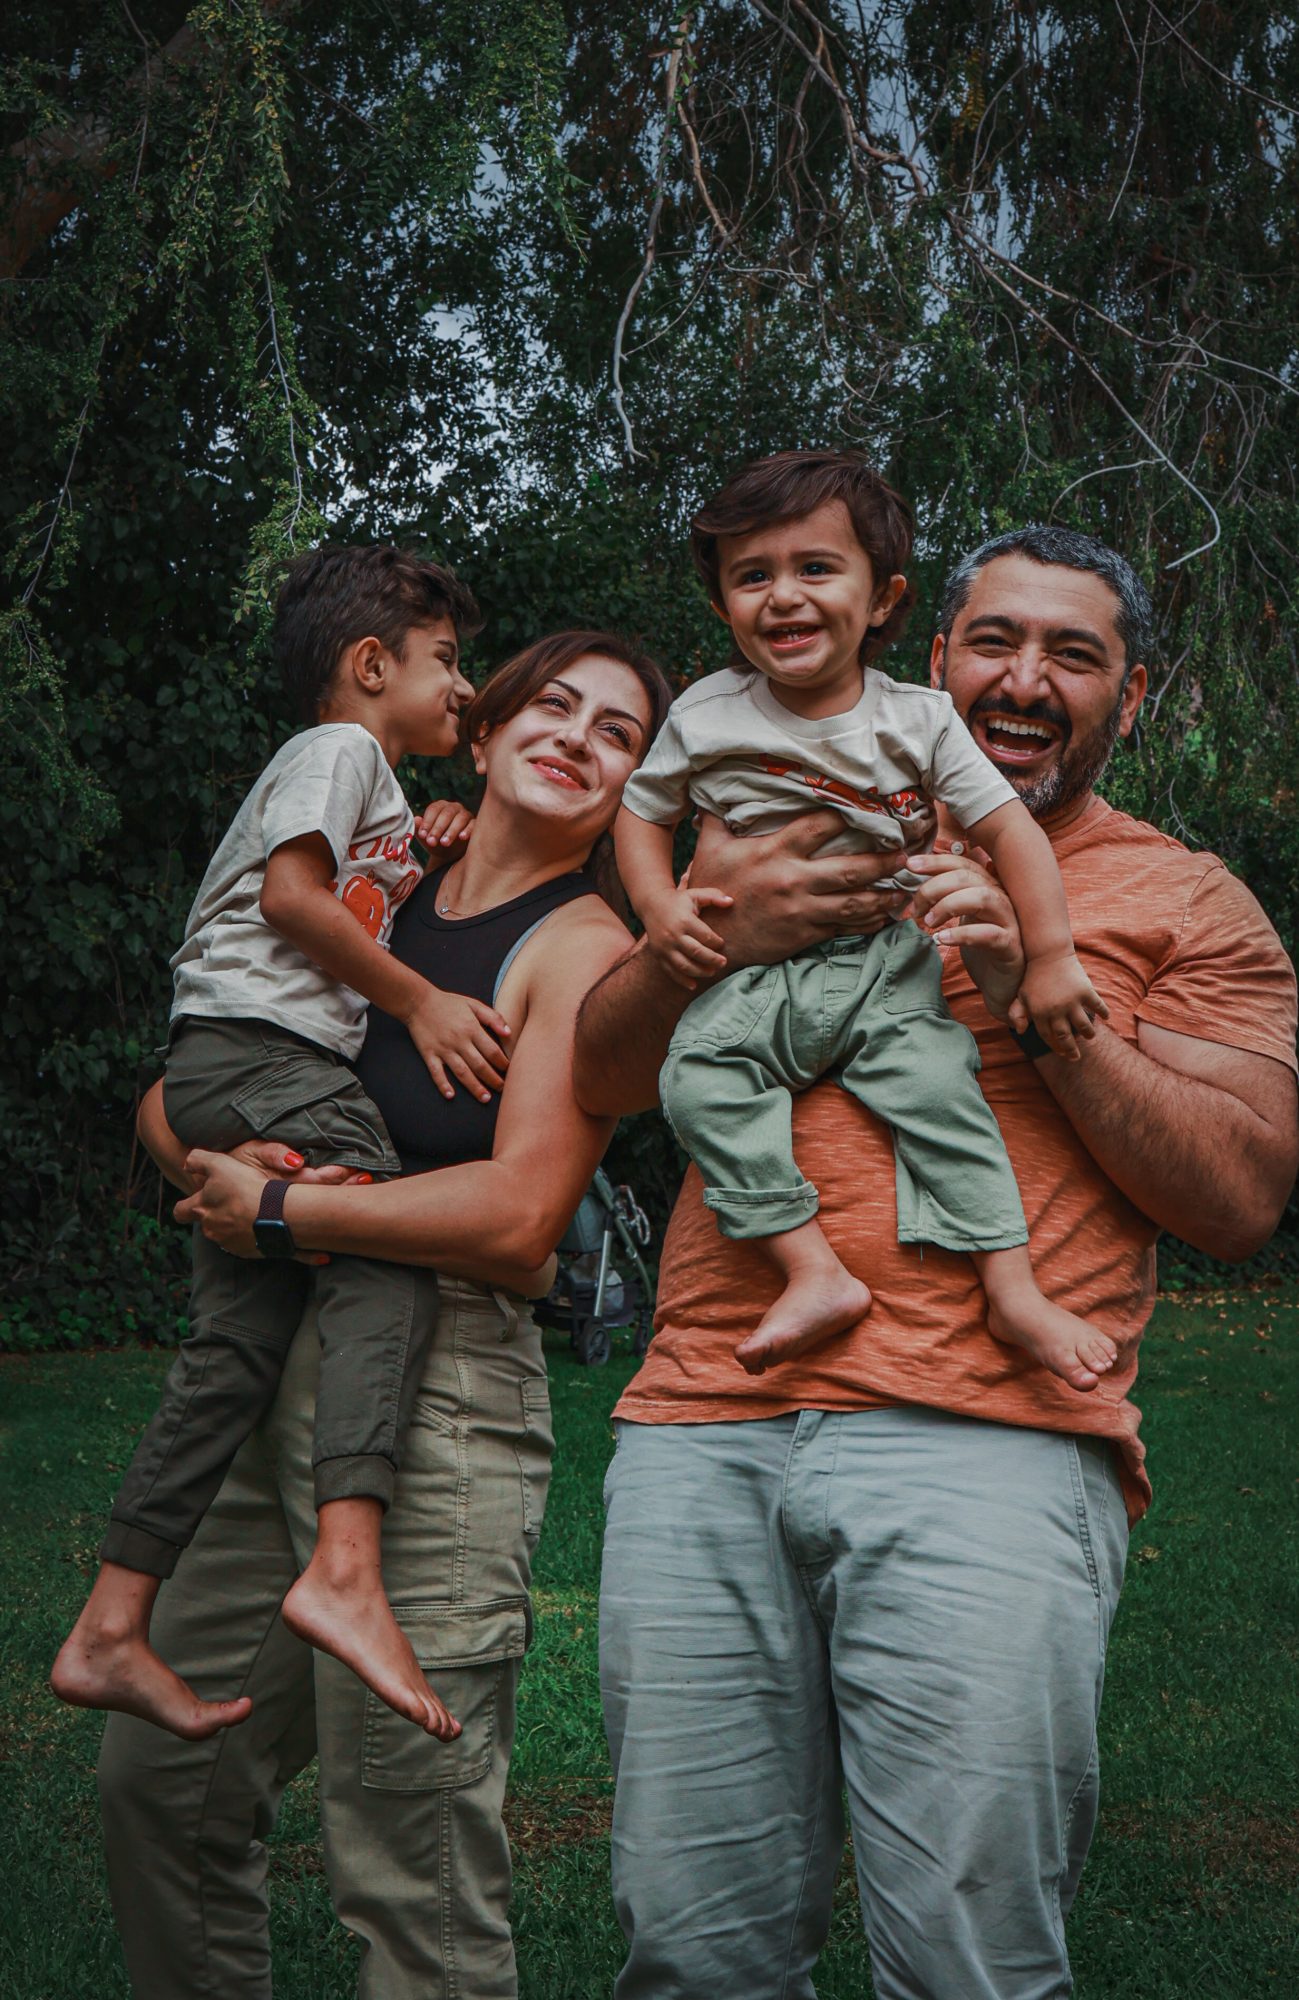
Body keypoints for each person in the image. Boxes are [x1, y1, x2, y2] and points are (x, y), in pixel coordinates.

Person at [576, 524, 1299, 2000]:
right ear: (934, 658)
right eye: (996, 642)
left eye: (1073, 655)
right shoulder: (761, 817)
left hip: (987, 1436)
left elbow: (1240, 1198)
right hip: (702, 1420)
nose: (1025, 680)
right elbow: (597, 1079)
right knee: (690, 1952)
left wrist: (1045, 997)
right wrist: (707, 938)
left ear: (1130, 696)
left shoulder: (1184, 897)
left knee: (968, 1964)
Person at [95, 627, 673, 2000]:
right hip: (275, 1361)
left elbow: (519, 1216)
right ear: (482, 729)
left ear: (635, 795)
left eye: (618, 734)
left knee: (409, 1856)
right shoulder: (373, 886)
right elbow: (180, 1086)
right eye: (553, 704)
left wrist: (286, 1210)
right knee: (161, 1780)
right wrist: (214, 1161)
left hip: (441, 1395)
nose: (577, 737)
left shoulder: (582, 949)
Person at [53, 543, 510, 1744]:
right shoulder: (339, 749)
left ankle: (110, 1621)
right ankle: (347, 1569)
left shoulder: (371, 781)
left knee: (232, 1349)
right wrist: (420, 1000)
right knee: (389, 1244)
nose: (466, 687)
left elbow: (353, 885)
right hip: (270, 1054)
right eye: (447, 660)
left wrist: (427, 839)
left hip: (219, 1060)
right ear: (371, 665)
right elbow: (293, 902)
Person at [616, 450, 1116, 1388]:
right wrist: (658, 907)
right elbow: (641, 814)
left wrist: (1049, 958)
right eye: (751, 576)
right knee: (696, 1079)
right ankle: (811, 1270)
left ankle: (1012, 1292)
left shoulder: (918, 720)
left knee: (942, 1094)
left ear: (884, 598)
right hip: (752, 978)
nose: (783, 596)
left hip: (884, 967)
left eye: (815, 568)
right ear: (721, 604)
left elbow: (1011, 832)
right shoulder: (705, 712)